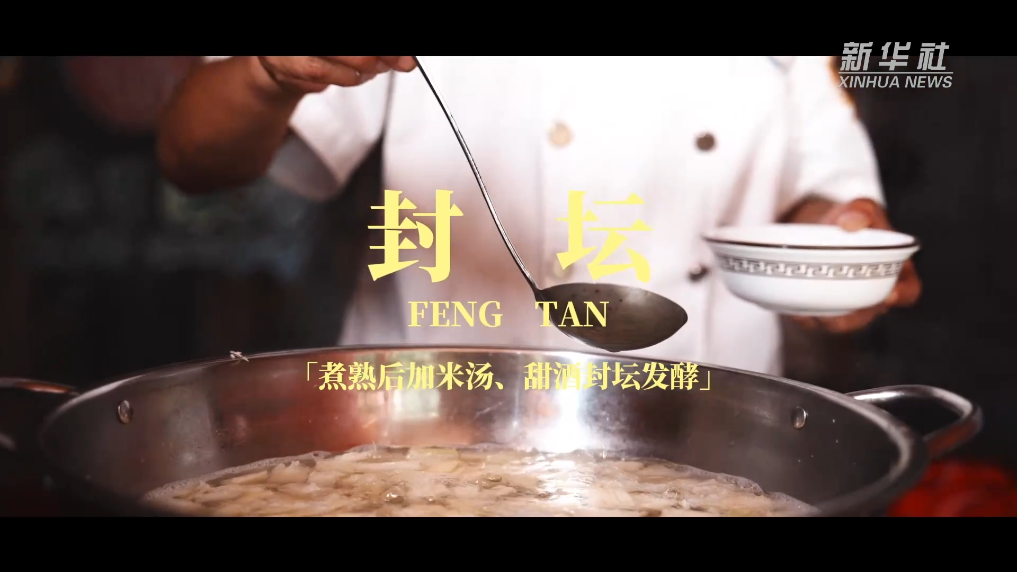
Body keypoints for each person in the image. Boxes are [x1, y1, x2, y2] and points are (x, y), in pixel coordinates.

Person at [156, 56, 921, 376]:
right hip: (426, 421)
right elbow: (193, 157)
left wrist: (841, 247)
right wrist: (268, 73)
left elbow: (823, 193)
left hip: (712, 426)